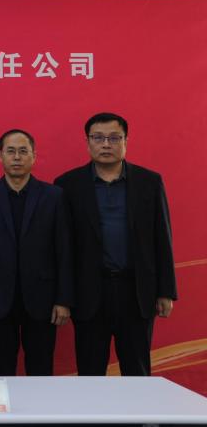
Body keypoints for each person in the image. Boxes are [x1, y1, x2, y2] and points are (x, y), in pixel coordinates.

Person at [55, 112, 177, 376]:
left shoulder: (149, 182)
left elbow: (161, 237)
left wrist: (166, 291)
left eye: (114, 138)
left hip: (136, 291)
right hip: (89, 293)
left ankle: (138, 407)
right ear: (88, 142)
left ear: (126, 141)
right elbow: (62, 247)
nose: (106, 144)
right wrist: (63, 297)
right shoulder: (67, 185)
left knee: (137, 370)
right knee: (90, 372)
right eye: (98, 138)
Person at [0, 129, 72, 376]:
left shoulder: (53, 196)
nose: (17, 157)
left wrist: (63, 300)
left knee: (41, 368)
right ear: (0, 156)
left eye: (23, 151)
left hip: (42, 298)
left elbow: (64, 250)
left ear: (34, 156)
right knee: (0, 368)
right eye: (11, 151)